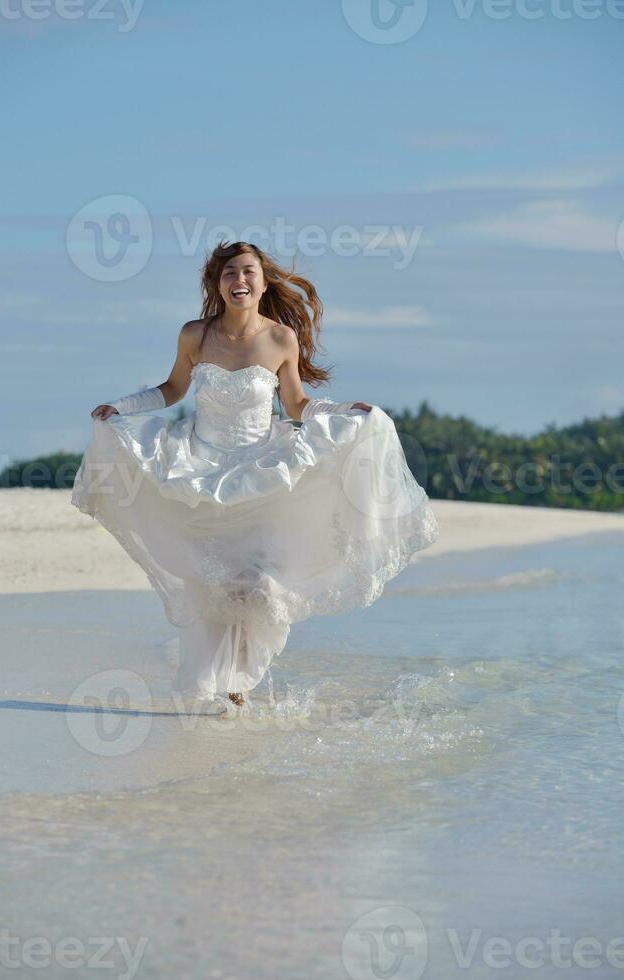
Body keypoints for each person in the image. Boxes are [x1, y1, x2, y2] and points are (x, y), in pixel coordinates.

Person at [71, 240, 439, 709]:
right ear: (217, 283)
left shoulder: (280, 339)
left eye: (248, 272)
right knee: (211, 585)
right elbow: (171, 389)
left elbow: (298, 406)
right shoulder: (195, 335)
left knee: (261, 586)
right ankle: (208, 687)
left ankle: (239, 680)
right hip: (199, 469)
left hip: (260, 472)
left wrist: (346, 409)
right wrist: (120, 407)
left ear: (263, 283)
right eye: (229, 273)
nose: (238, 281)